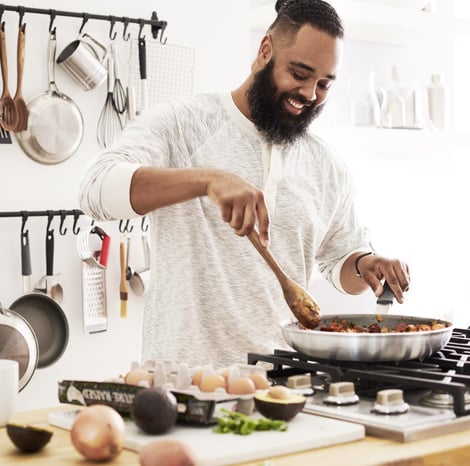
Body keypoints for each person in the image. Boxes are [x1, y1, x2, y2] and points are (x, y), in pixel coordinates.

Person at [79, 0, 410, 368]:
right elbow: (95, 189)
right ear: (265, 51)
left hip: (285, 386)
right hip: (183, 385)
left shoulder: (326, 165)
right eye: (299, 74)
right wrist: (208, 178)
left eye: (324, 84)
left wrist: (364, 263)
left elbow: (341, 263)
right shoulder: (184, 124)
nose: (310, 94)